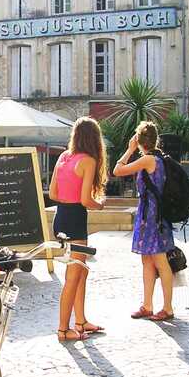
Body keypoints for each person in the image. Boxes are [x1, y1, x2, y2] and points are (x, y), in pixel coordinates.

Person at [49, 117, 107, 341]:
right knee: (73, 276)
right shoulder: (89, 161)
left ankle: (81, 321)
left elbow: (53, 194)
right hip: (75, 219)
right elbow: (85, 199)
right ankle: (63, 329)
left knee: (81, 270)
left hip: (61, 216)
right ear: (94, 139)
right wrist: (99, 203)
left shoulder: (64, 156)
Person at [113, 121, 176, 322]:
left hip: (152, 216)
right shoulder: (157, 158)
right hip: (150, 214)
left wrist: (129, 149)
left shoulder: (148, 159)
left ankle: (167, 308)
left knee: (160, 261)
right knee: (147, 260)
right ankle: (147, 305)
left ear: (139, 140)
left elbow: (117, 170)